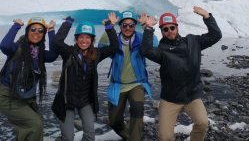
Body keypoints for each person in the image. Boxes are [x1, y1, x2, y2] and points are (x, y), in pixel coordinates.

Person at [141, 6, 222, 141]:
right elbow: (146, 51)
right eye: (165, 29)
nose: (169, 31)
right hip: (170, 99)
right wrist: (148, 28)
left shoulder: (193, 41)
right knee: (164, 137)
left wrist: (207, 17)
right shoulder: (161, 50)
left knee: (202, 124)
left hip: (192, 96)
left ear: (177, 27)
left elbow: (216, 35)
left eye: (172, 27)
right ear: (161, 31)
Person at [52, 12, 119, 141]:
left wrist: (109, 27)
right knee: (68, 137)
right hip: (67, 101)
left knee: (90, 135)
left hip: (85, 101)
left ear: (92, 39)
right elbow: (57, 42)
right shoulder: (68, 52)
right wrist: (68, 23)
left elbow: (114, 47)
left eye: (88, 37)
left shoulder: (96, 54)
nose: (84, 41)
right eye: (81, 37)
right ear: (76, 39)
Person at [0, 17, 57, 141]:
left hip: (25, 97)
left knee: (29, 127)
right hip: (6, 95)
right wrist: (16, 25)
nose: (36, 32)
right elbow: (4, 45)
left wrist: (51, 30)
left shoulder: (41, 53)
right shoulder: (17, 48)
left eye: (41, 31)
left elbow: (53, 54)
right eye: (33, 29)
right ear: (27, 31)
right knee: (35, 124)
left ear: (43, 35)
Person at [98, 10, 152, 141]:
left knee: (137, 109)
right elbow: (101, 48)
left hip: (137, 83)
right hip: (118, 84)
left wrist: (146, 27)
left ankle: (135, 138)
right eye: (124, 25)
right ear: (120, 26)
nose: (128, 28)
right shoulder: (114, 40)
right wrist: (108, 28)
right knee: (114, 120)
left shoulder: (140, 38)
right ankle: (128, 136)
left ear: (135, 26)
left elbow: (153, 45)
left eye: (131, 25)